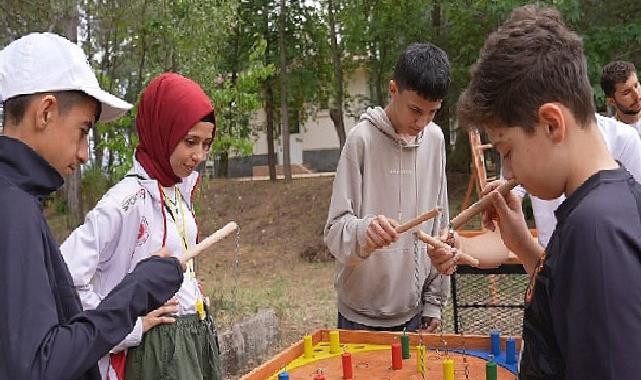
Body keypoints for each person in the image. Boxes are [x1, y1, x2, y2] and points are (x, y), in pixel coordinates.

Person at [450, 5, 641, 378]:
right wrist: (523, 247)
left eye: (507, 151)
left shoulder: (594, 232)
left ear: (552, 123)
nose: (507, 172)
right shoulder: (614, 200)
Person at [0, 33, 183, 380]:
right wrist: (136, 292)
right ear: (46, 112)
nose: (84, 153)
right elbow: (38, 366)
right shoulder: (13, 209)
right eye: (83, 130)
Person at [61, 72, 223, 380]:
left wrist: (193, 294)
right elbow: (66, 277)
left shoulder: (176, 189)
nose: (198, 156)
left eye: (206, 144)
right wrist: (128, 327)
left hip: (190, 340)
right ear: (162, 130)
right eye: (190, 142)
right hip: (151, 355)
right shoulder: (126, 201)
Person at [324, 43, 450, 332]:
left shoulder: (436, 140)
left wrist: (433, 302)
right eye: (415, 110)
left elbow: (439, 226)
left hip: (415, 312)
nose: (422, 121)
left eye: (433, 112)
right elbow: (334, 231)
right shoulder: (361, 140)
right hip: (360, 316)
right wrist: (365, 232)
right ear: (393, 90)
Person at [512, 113, 641, 248]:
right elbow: (511, 195)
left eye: (508, 153)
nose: (510, 173)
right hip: (551, 252)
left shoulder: (622, 137)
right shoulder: (525, 139)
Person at [601, 61, 641, 133]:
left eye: (636, 86)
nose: (637, 95)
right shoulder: (609, 135)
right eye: (627, 92)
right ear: (611, 101)